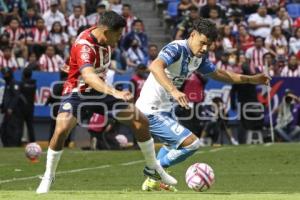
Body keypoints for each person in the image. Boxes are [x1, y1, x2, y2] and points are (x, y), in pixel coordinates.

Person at [36, 11, 176, 194]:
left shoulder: (104, 38)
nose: (119, 39)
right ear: (106, 31)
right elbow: (88, 76)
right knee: (61, 129)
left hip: (101, 90)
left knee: (141, 121)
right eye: (117, 34)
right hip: (79, 92)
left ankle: (153, 169)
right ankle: (48, 175)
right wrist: (114, 91)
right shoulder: (85, 45)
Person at [136, 17, 270, 191]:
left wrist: (251, 79)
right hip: (150, 109)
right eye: (202, 43)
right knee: (192, 144)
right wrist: (174, 90)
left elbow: (220, 74)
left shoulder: (198, 57)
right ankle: (153, 171)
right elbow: (155, 66)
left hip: (164, 109)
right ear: (193, 35)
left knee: (172, 145)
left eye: (209, 45)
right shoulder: (177, 48)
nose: (205, 48)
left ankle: (152, 180)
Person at [20, 67, 37, 143]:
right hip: (31, 107)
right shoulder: (33, 84)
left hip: (22, 107)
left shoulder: (21, 84)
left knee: (20, 125)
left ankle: (18, 140)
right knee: (30, 126)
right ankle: (32, 141)